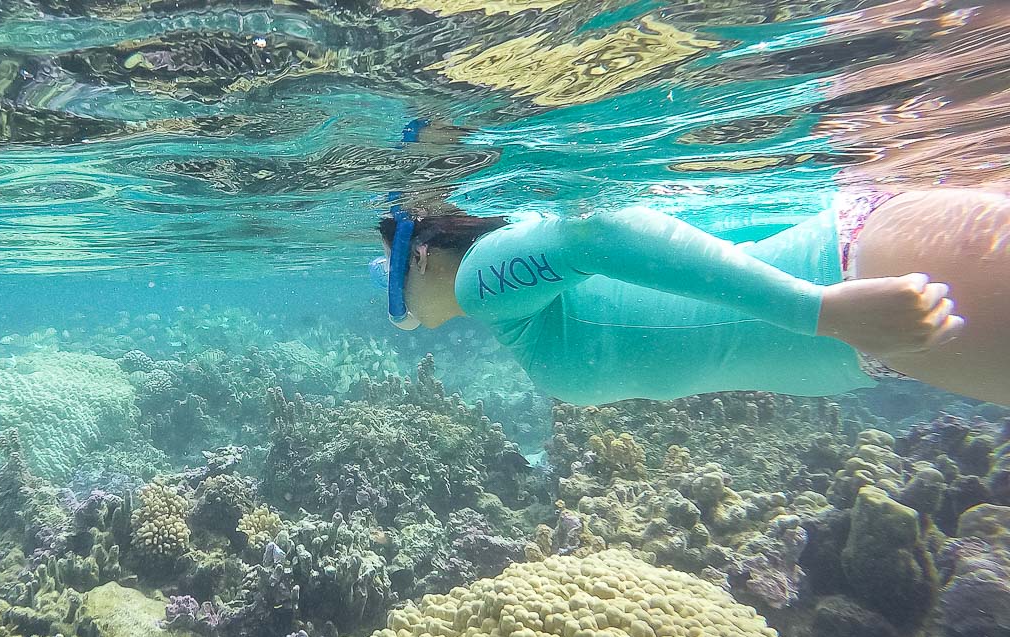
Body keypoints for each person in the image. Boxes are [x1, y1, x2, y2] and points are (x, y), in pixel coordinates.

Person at [372, 189, 1010, 407]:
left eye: (384, 281)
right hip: (869, 289)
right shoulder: (513, 303)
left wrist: (820, 310)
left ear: (418, 253)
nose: (398, 314)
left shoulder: (480, 278)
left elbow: (601, 231)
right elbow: (715, 238)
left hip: (858, 276)